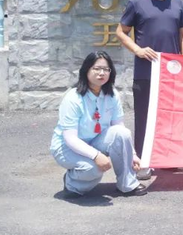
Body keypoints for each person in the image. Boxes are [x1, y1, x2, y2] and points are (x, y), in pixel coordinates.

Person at [116, 0, 183, 180]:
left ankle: (172, 158)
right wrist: (137, 50)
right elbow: (121, 31)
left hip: (171, 72)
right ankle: (143, 161)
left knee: (173, 116)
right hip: (146, 71)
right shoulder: (137, 3)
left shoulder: (178, 3)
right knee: (144, 118)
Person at [50, 51, 147, 198]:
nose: (102, 73)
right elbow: (70, 138)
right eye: (96, 68)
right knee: (93, 169)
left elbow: (119, 127)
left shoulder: (112, 94)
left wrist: (132, 155)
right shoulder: (73, 98)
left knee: (121, 132)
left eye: (106, 69)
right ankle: (72, 184)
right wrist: (96, 156)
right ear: (86, 70)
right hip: (66, 147)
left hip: (94, 141)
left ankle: (127, 184)